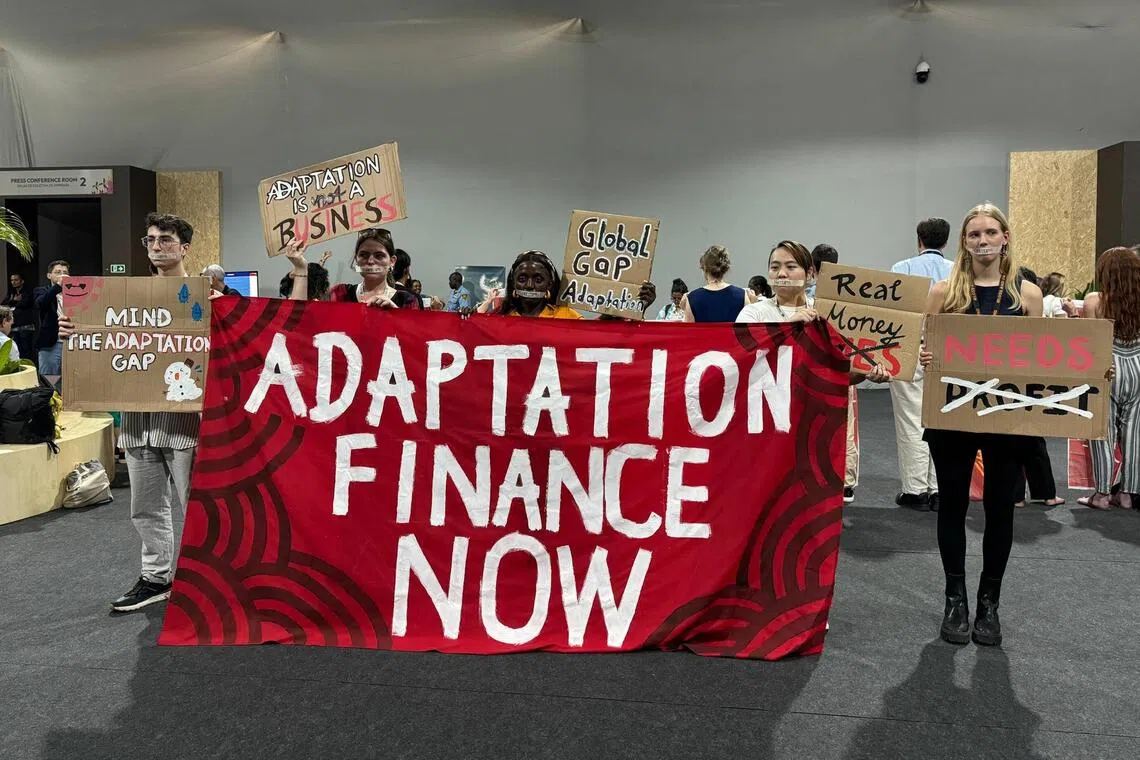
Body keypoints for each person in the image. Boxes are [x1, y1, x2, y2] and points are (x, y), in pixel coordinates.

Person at [918, 202, 1045, 647]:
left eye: (991, 233)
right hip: (952, 416)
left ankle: (989, 601)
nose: (983, 241)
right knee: (952, 504)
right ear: (964, 242)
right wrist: (926, 357)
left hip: (1006, 418)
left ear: (1005, 237)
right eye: (975, 235)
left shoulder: (1026, 295)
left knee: (999, 508)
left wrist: (1090, 375)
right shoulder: (942, 292)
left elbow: (1044, 357)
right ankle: (956, 597)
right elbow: (925, 349)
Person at [65, 213, 204, 612]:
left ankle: (204, 578)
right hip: (139, 422)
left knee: (195, 505)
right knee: (145, 506)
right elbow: (102, 343)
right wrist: (73, 331)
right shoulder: (126, 298)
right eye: (150, 240)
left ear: (184, 247)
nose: (156, 246)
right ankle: (156, 577)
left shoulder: (204, 296)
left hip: (185, 423)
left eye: (164, 239)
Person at [737, 241, 886, 503]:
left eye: (790, 267)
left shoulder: (830, 314)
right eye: (775, 267)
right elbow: (741, 361)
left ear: (810, 274)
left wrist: (867, 371)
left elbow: (841, 371)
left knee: (812, 500)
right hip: (771, 421)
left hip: (816, 423)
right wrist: (783, 328)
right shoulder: (754, 313)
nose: (781, 274)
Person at [889, 218, 954, 511]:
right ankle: (941, 489)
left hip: (910, 344)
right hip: (950, 348)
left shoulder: (901, 269)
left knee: (911, 419)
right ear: (946, 241)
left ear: (919, 240)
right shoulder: (957, 272)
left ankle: (915, 490)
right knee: (943, 419)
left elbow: (893, 313)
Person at [1078, 247, 1140, 510]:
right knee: (1135, 433)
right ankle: (1128, 493)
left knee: (1102, 432)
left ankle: (1102, 493)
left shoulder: (1094, 301)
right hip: (1138, 364)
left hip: (1107, 366)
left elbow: (1089, 342)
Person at [283, 229, 418, 309]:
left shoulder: (407, 300)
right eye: (363, 255)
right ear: (356, 259)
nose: (370, 261)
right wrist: (300, 267)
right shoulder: (339, 294)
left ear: (392, 261)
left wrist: (397, 315)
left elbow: (415, 344)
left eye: (379, 255)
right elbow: (299, 321)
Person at [480, 250, 582, 319]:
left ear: (549, 284)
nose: (529, 286)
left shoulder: (566, 316)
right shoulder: (499, 318)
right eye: (522, 279)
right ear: (513, 283)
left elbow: (592, 337)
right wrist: (466, 320)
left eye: (538, 280)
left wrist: (598, 324)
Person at [680, 245, 753, 322]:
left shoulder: (692, 298)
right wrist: (752, 306)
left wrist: (685, 310)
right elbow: (748, 331)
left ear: (704, 269)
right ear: (725, 269)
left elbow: (688, 332)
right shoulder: (742, 295)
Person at [33, 260, 69, 385]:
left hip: (71, 342)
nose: (62, 274)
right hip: (51, 344)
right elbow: (41, 302)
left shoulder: (75, 293)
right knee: (50, 380)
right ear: (49, 275)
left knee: (70, 379)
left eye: (65, 272)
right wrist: (58, 286)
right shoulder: (42, 291)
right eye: (58, 272)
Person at [2, 272, 36, 361]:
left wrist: (14, 302)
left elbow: (25, 303)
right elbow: (3, 305)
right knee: (16, 351)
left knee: (26, 352)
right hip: (14, 327)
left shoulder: (28, 292)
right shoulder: (11, 294)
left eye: (16, 280)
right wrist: (14, 300)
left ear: (22, 281)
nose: (13, 282)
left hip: (25, 326)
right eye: (12, 280)